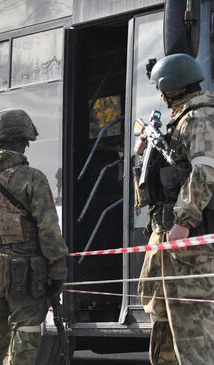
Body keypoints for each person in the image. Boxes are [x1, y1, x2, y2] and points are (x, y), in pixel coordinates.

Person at [0, 109, 68, 364]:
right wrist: (58, 270)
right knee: (25, 338)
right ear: (22, 142)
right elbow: (49, 230)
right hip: (25, 273)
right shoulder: (33, 179)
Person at [134, 53, 214, 364]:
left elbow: (205, 171)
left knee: (192, 327)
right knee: (163, 317)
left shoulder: (199, 118)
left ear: (170, 88)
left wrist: (184, 220)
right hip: (166, 236)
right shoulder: (182, 119)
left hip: (188, 243)